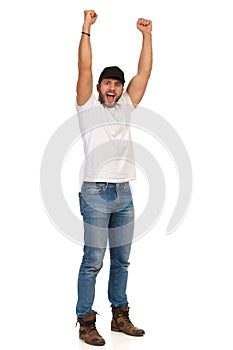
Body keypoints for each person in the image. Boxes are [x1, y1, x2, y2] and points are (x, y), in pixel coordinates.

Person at [76, 10, 153, 346]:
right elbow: (84, 67)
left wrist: (147, 35)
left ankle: (119, 316)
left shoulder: (126, 106)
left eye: (117, 84)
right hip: (95, 192)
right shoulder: (87, 107)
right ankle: (85, 321)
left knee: (121, 259)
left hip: (124, 194)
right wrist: (87, 29)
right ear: (99, 88)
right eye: (107, 83)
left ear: (121, 90)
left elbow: (145, 73)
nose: (112, 88)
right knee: (93, 260)